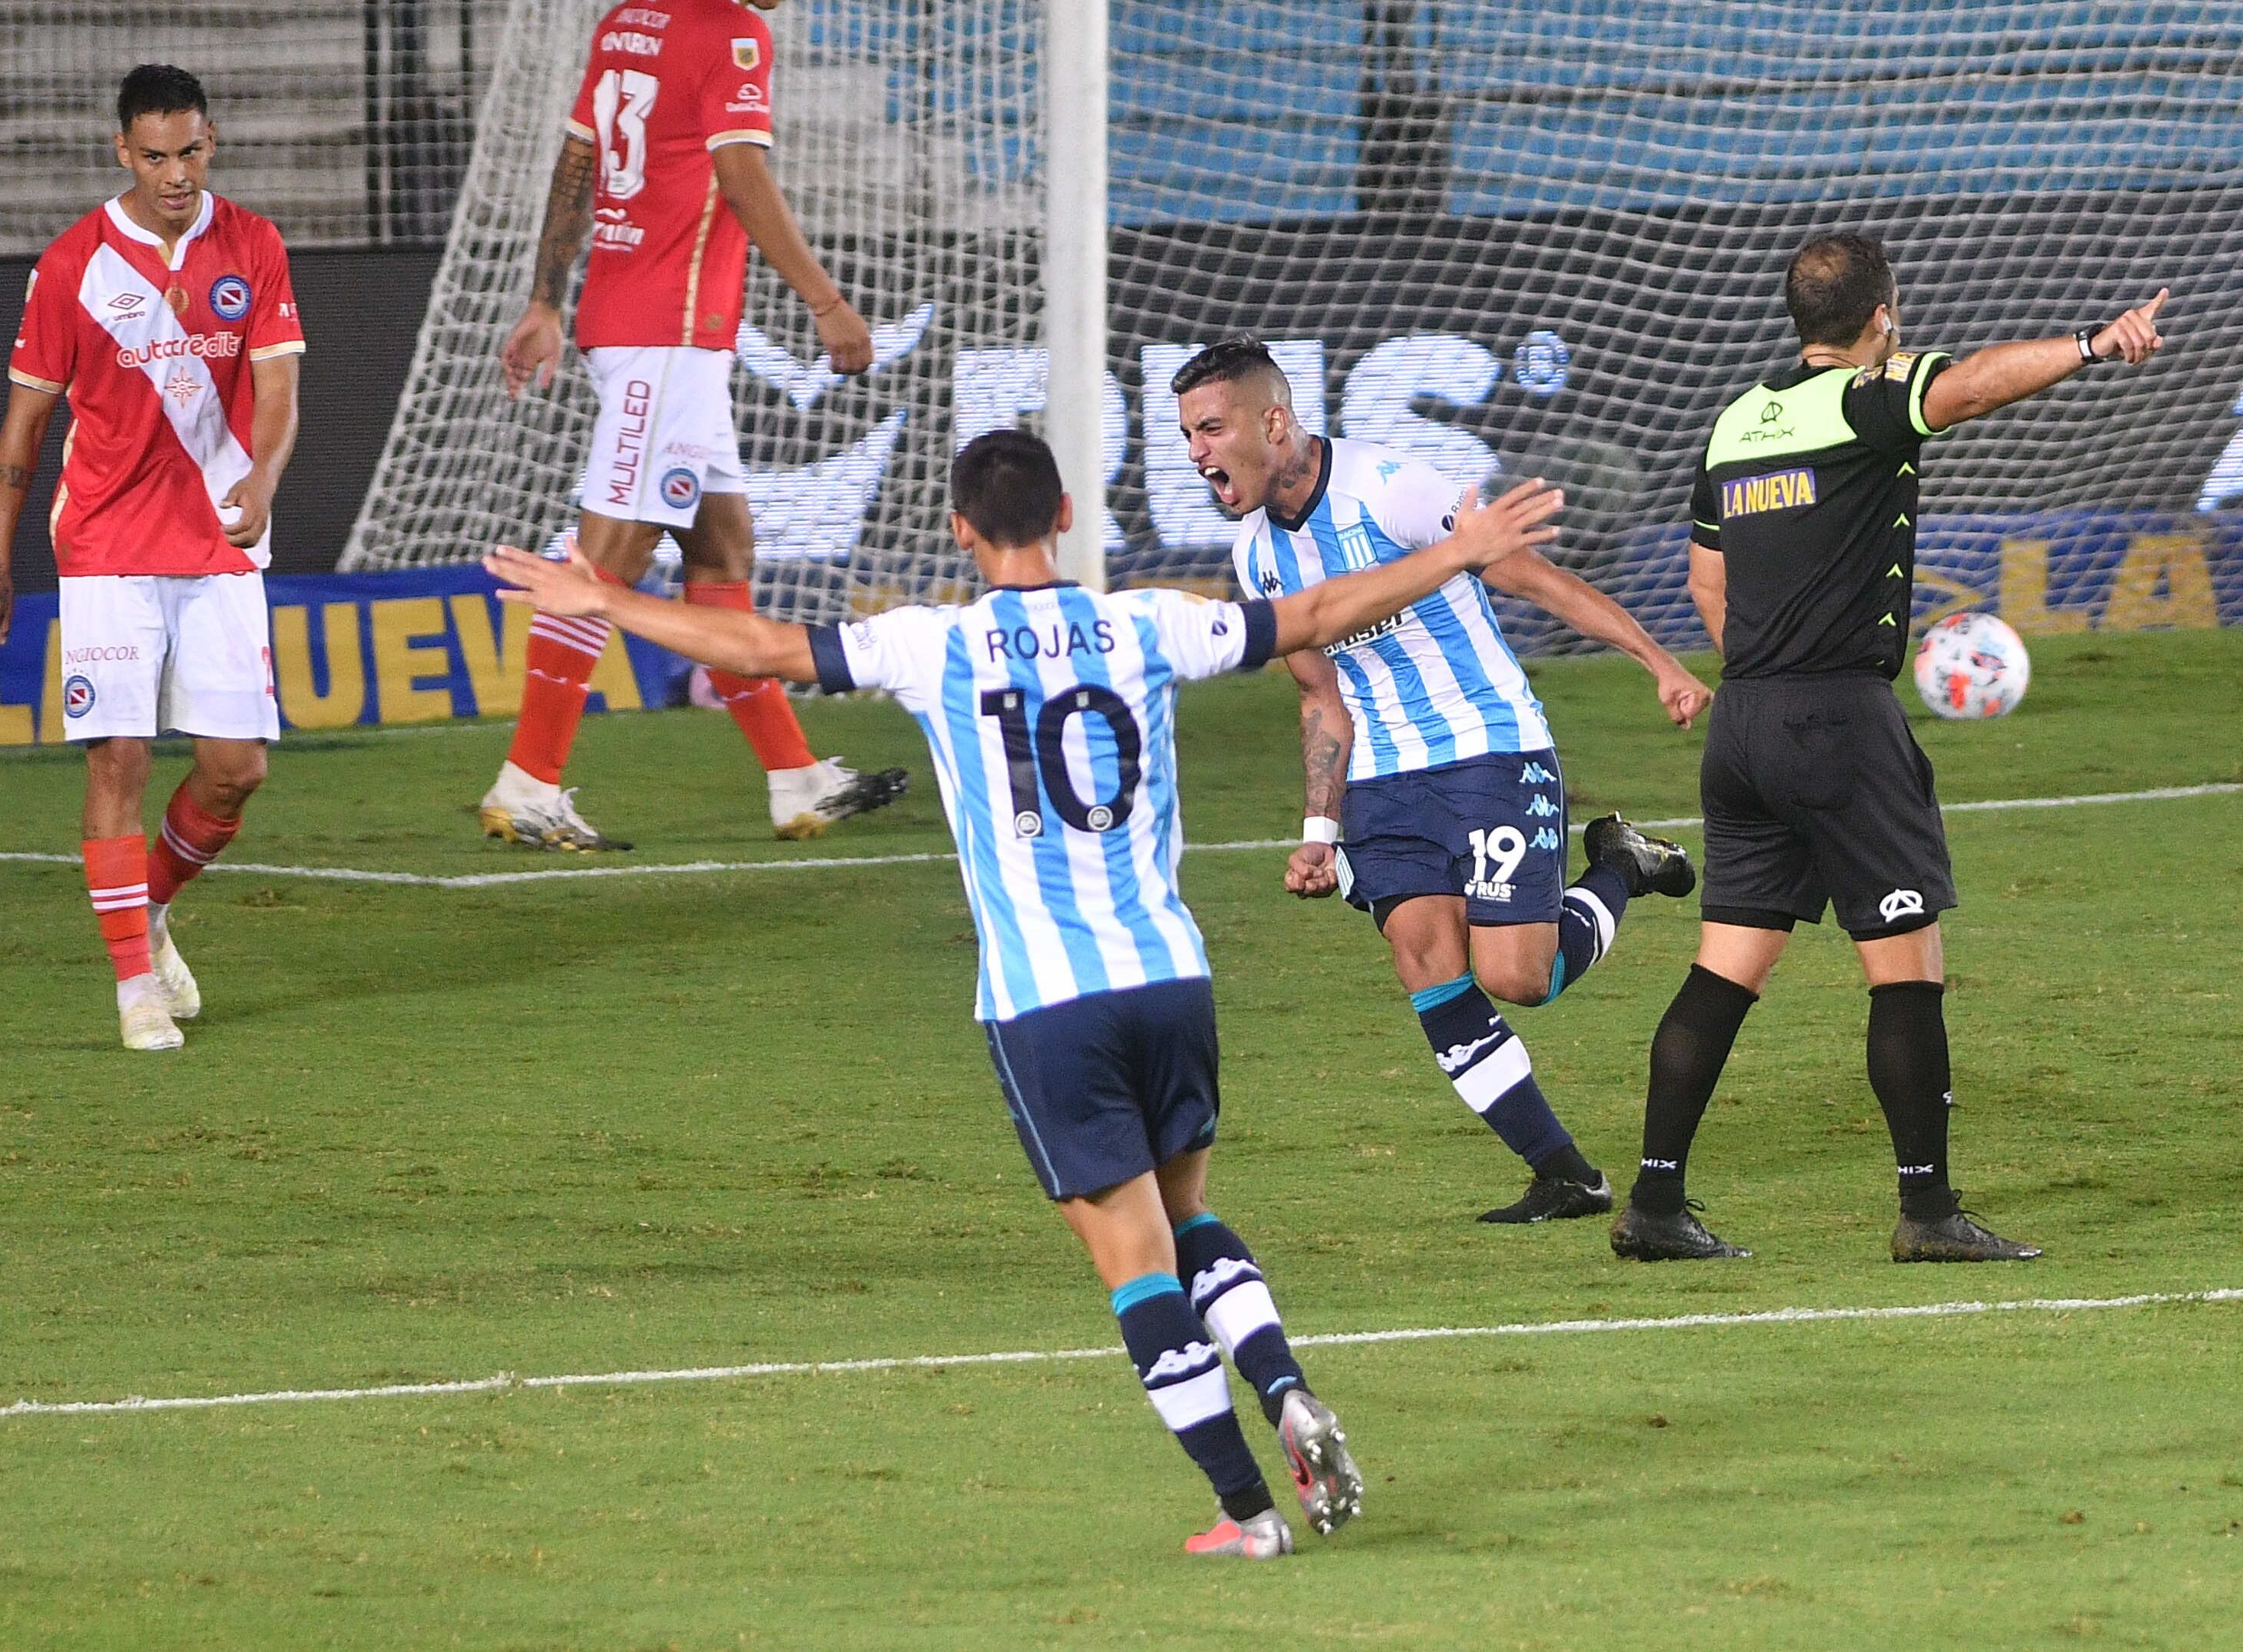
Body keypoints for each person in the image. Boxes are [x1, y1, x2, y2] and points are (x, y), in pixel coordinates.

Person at [488, 429, 1569, 1557]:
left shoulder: (931, 643)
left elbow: (756, 644)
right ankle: (1284, 1384)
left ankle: (1247, 1511)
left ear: (961, 528)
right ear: (1064, 515)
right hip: (1170, 976)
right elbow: (1310, 615)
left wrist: (600, 596)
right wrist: (1459, 550)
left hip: (1048, 1000)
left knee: (1132, 1261)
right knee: (1188, 1214)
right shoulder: (1146, 621)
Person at [1612, 232, 2167, 1263]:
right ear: (1882, 317)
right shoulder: (1870, 396)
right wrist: (2091, 343)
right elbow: (1964, 392)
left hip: (1742, 724)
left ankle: (1652, 1206)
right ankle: (1928, 1212)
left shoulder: (1737, 421)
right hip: (1838, 727)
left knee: (1725, 967)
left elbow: (1706, 581)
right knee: (1905, 972)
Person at [1171, 337, 1710, 1225]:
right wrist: (1319, 829)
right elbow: (1320, 698)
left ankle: (1620, 865)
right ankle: (1565, 1173)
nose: (1196, 451)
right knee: (1424, 953)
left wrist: (1657, 661)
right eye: (1187, 433)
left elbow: (1535, 581)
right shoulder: (1256, 554)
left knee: (1518, 976)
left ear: (1273, 420)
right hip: (1383, 778)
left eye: (1210, 428)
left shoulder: (1394, 489)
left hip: (1488, 749)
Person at [479, 0, 904, 851]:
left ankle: (796, 779)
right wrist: (827, 303)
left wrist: (547, 297)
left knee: (720, 551)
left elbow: (579, 158)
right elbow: (741, 172)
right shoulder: (733, 30)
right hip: (663, 336)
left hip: (651, 330)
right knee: (606, 558)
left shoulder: (629, 17)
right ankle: (528, 779)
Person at [0, 64, 302, 1051]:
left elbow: (276, 393)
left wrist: (264, 479)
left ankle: (144, 909)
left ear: (211, 141)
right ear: (124, 152)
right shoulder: (73, 266)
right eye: (155, 155)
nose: (175, 173)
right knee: (120, 757)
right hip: (105, 541)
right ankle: (133, 989)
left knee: (237, 771)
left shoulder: (255, 247)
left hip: (221, 539)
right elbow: (23, 429)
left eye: (190, 150)